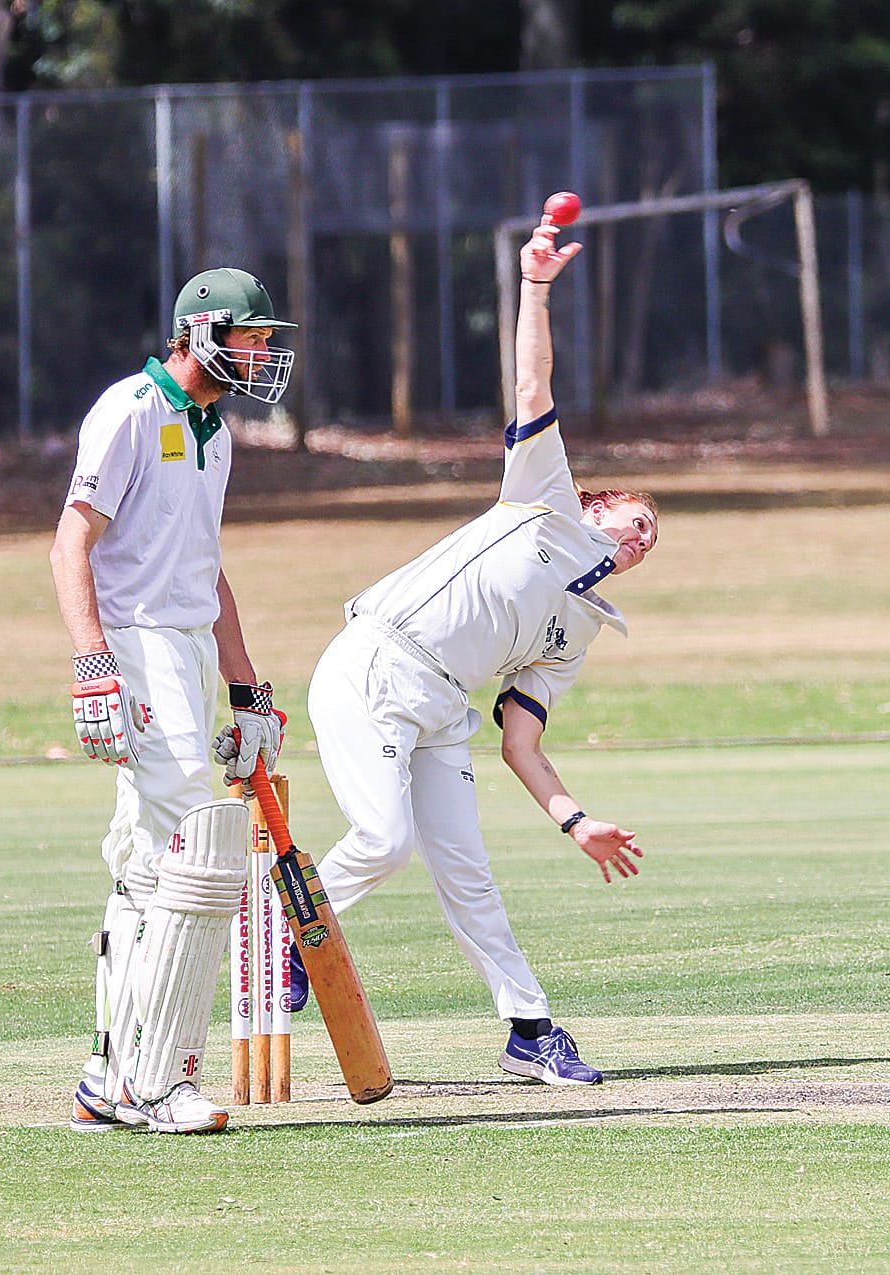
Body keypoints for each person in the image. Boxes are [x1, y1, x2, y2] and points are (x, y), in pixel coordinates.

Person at [307, 217, 656, 1087]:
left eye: (655, 537)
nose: (645, 536)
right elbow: (530, 376)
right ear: (596, 503)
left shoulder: (580, 629)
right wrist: (536, 284)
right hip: (375, 665)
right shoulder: (543, 498)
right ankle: (285, 926)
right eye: (637, 517)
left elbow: (521, 743)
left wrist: (577, 822)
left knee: (468, 872)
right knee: (384, 844)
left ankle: (529, 1029)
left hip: (441, 711)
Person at [50, 267, 297, 1134]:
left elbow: (207, 570)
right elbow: (71, 540)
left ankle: (106, 1078)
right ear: (199, 333)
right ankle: (158, 1083)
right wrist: (93, 666)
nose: (263, 352)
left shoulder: (214, 434)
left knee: (149, 869)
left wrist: (248, 688)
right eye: (252, 336)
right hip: (140, 649)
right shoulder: (130, 411)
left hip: (189, 649)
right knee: (204, 842)